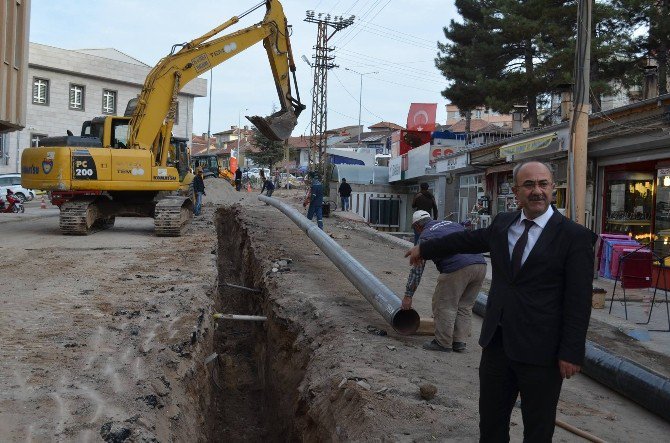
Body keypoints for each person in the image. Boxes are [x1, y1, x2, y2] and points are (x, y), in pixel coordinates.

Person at [405, 160, 596, 442]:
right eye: (529, 185)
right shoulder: (504, 224)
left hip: (542, 352)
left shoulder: (574, 237)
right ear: (517, 192)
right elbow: (467, 240)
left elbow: (579, 300)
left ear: (553, 189)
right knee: (492, 424)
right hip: (498, 346)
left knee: (538, 429)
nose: (537, 191)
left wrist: (571, 351)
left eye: (543, 184)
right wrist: (425, 247)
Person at [402, 210, 487, 352]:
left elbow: (417, 269)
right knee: (465, 306)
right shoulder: (452, 224)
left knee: (444, 304)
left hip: (457, 267)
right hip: (480, 265)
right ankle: (459, 342)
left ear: (417, 226)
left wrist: (408, 295)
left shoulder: (426, 235)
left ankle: (443, 343)